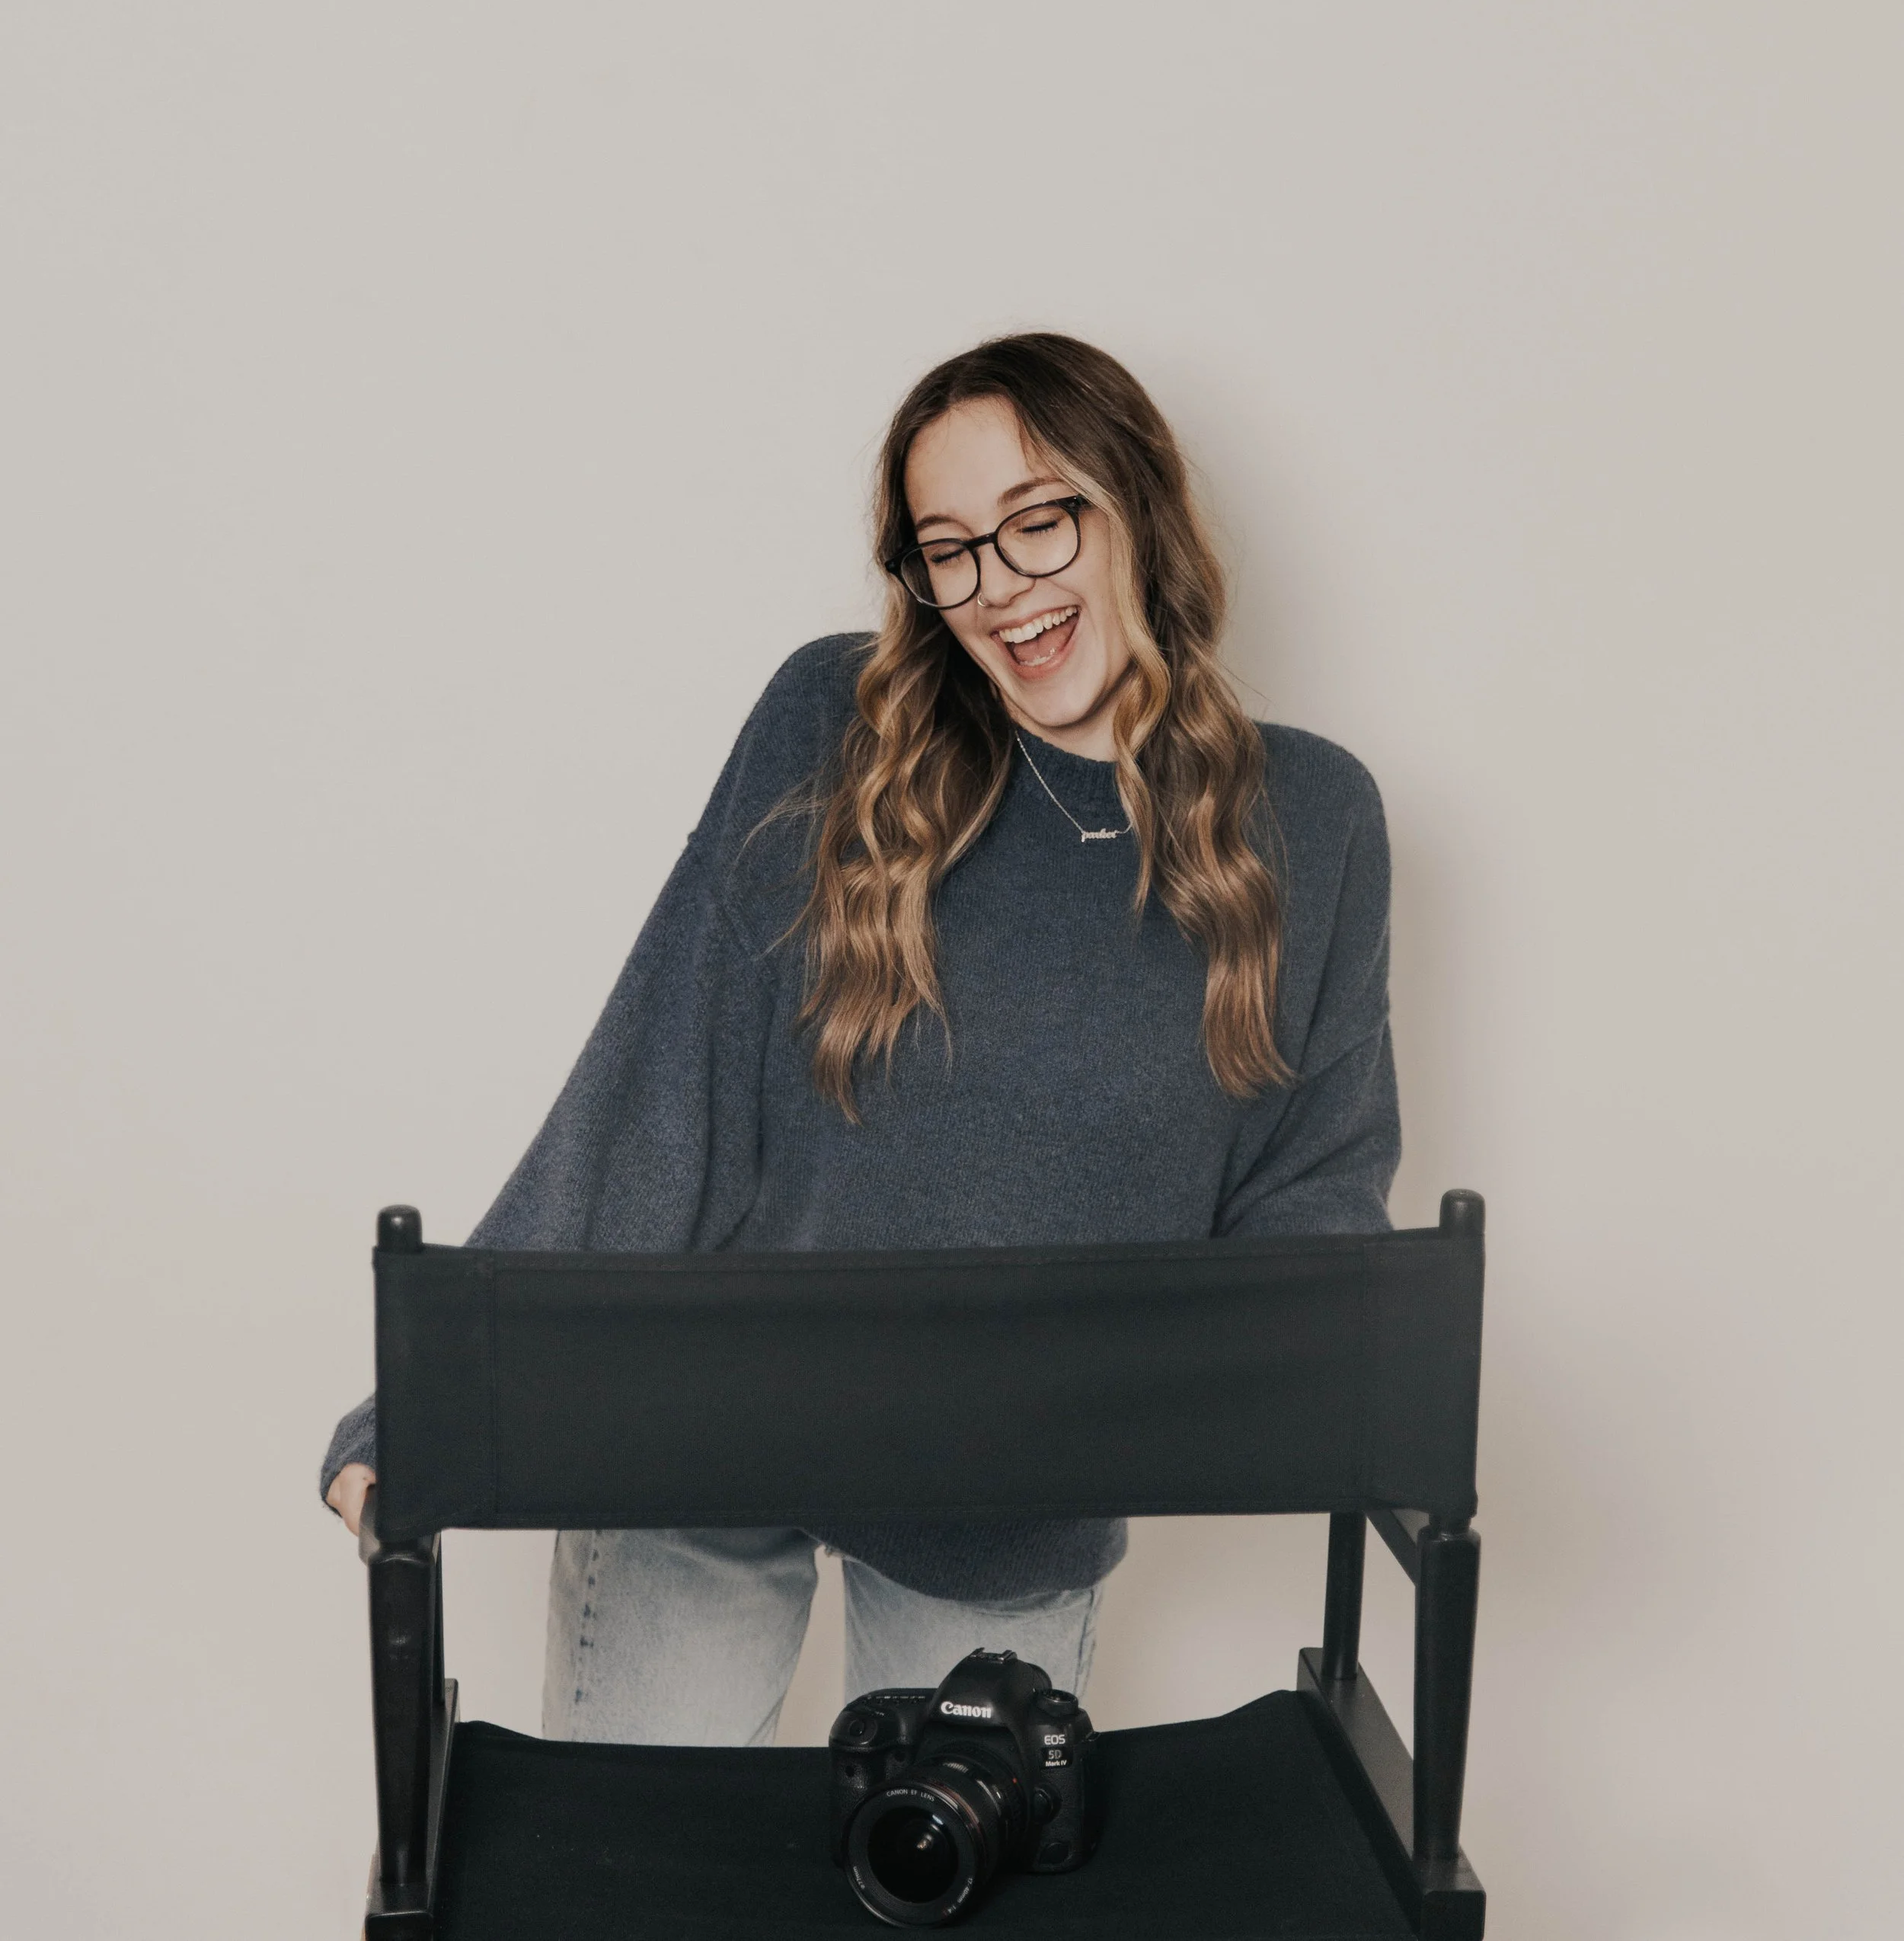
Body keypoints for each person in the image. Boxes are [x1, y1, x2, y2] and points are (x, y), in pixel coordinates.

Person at [321, 332, 1398, 1745]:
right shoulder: (835, 724)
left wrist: (1318, 1389)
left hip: (1012, 1504)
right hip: (704, 1445)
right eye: (948, 548)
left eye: (1038, 520)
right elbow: (660, 1093)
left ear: (1136, 502)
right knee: (625, 1898)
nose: (998, 588)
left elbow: (1311, 1194)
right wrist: (428, 1403)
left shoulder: (1311, 822)